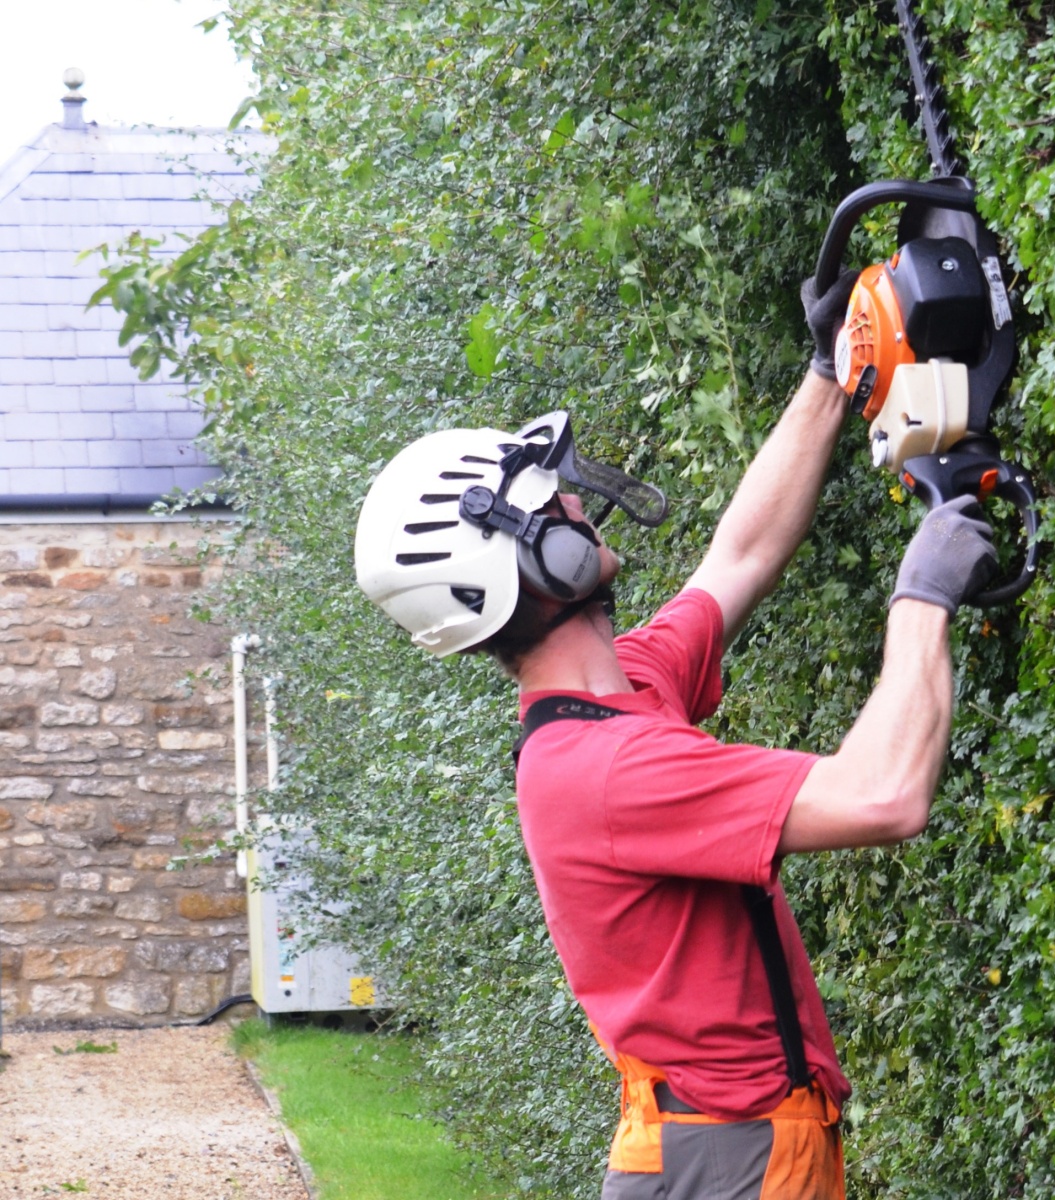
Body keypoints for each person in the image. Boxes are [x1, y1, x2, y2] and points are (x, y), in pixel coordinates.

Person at [352, 274, 998, 1199]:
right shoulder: (608, 770)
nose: (578, 503)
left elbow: (739, 557)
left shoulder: (620, 696)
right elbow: (884, 795)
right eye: (554, 503)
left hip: (715, 1145)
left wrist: (829, 372)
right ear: (531, 563)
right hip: (731, 1159)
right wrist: (921, 597)